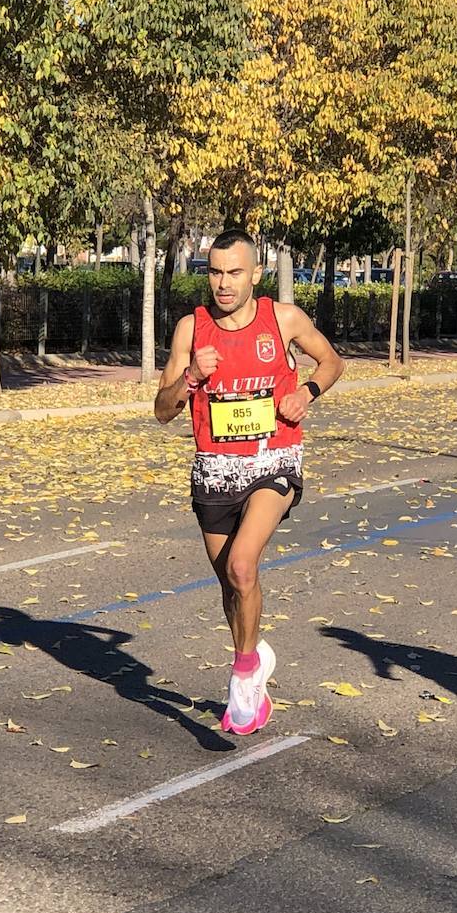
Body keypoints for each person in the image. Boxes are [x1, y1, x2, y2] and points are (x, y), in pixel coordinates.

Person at [155, 229, 345, 735]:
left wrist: (306, 391)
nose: (222, 283)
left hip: (272, 459)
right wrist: (190, 378)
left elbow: (332, 361)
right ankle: (255, 654)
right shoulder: (190, 331)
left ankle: (242, 679)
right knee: (232, 586)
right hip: (214, 468)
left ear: (254, 274)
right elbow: (161, 411)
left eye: (234, 272)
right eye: (214, 272)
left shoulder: (282, 319)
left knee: (243, 566)